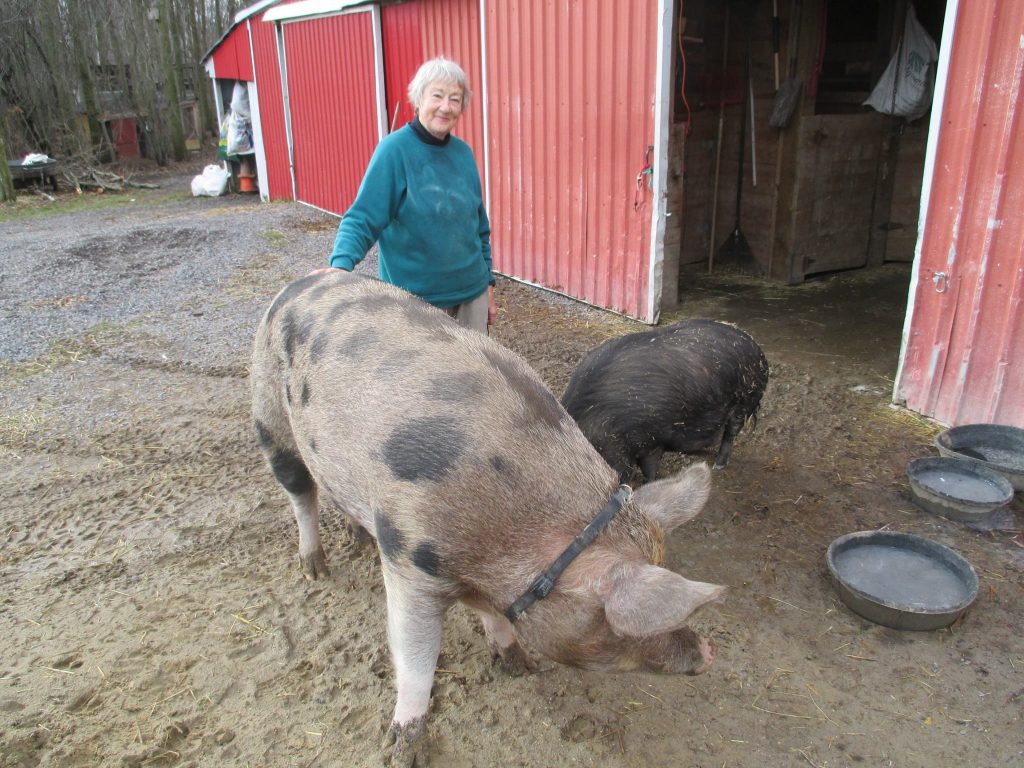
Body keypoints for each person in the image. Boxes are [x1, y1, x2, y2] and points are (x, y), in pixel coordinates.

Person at [321, 57, 497, 332]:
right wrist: (342, 266)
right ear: (418, 99)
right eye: (437, 96)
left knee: (473, 375)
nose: (445, 107)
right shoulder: (394, 152)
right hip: (416, 303)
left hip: (471, 298)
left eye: (454, 99)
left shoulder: (463, 154)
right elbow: (363, 217)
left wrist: (488, 286)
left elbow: (479, 229)